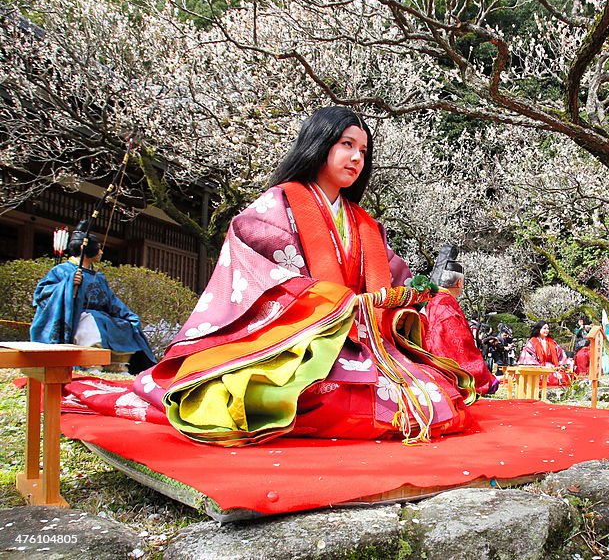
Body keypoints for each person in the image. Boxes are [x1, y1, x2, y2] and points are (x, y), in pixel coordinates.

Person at [134, 107, 475, 446]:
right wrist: (336, 303)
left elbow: (394, 278)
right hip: (300, 340)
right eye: (346, 144)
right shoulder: (276, 206)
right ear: (319, 143)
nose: (356, 157)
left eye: (363, 151)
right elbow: (257, 261)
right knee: (307, 393)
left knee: (435, 394)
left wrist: (411, 295)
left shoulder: (365, 225)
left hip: (361, 340)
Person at [30, 220, 157, 374]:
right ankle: (91, 363)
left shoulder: (99, 277)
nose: (101, 252)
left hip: (102, 316)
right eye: (98, 248)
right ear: (85, 248)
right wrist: (69, 286)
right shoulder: (61, 271)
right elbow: (42, 294)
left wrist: (128, 315)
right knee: (92, 321)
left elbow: (111, 301)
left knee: (125, 324)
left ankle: (117, 364)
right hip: (78, 316)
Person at [421, 259, 499, 395]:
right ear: (459, 283)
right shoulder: (446, 306)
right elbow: (460, 345)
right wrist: (485, 378)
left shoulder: (432, 300)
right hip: (443, 374)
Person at [518, 321, 573, 387]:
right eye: (544, 328)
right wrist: (541, 367)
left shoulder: (552, 342)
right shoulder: (532, 342)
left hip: (553, 368)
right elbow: (528, 357)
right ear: (539, 329)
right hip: (538, 368)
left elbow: (561, 355)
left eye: (548, 328)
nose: (547, 330)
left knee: (563, 377)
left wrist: (563, 364)